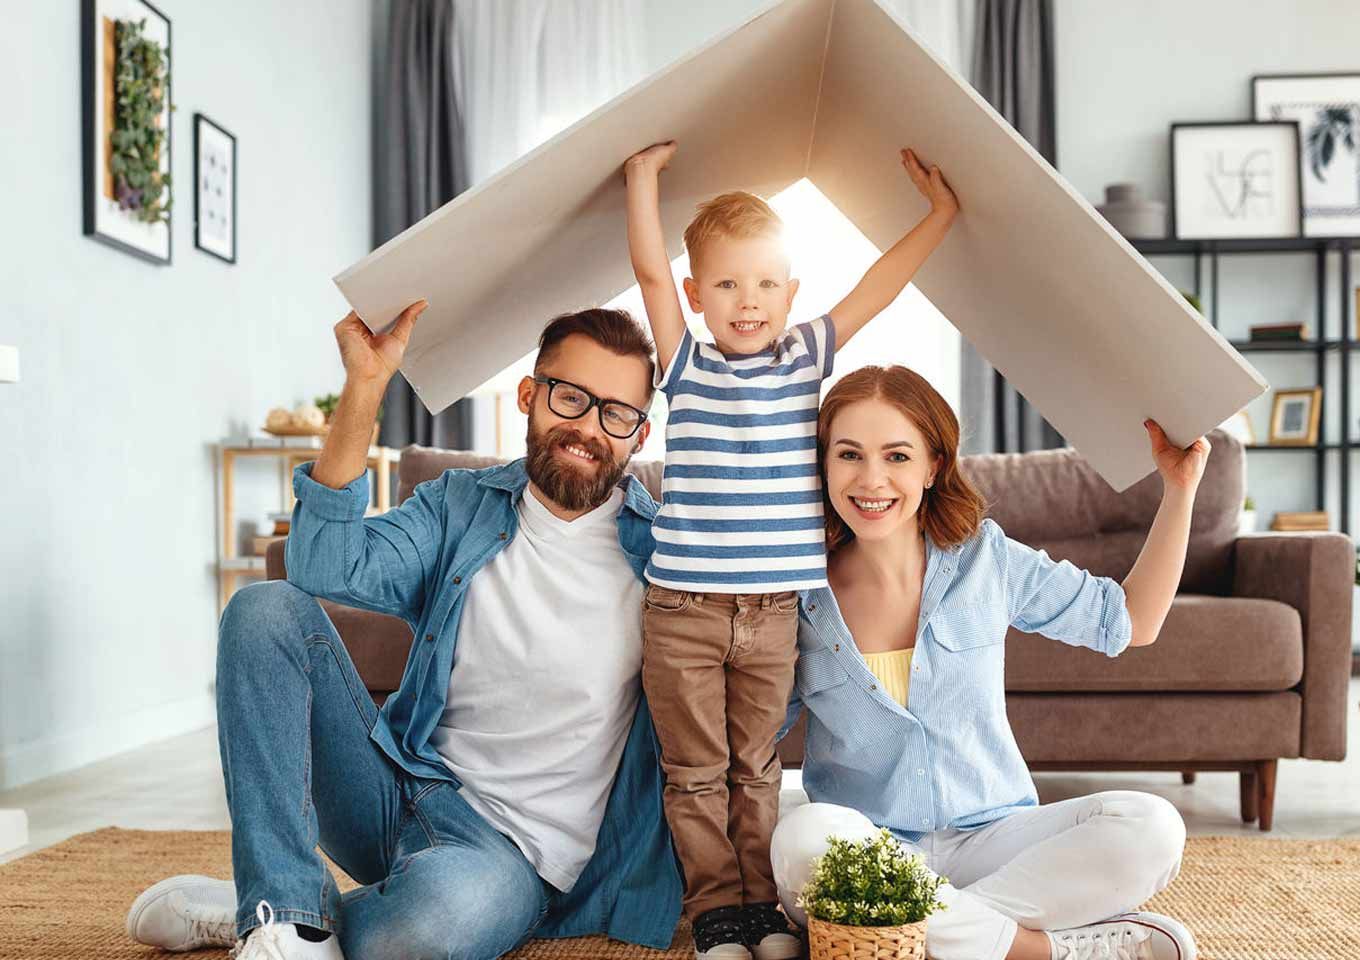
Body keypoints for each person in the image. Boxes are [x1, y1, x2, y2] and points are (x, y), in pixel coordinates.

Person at [126, 303, 686, 959]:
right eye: (570, 397)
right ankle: (289, 917)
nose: (588, 428)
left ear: (639, 436)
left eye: (616, 413)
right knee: (264, 609)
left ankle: (273, 909)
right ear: (531, 397)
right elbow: (319, 565)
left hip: (507, 856)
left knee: (423, 933)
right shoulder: (460, 506)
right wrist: (365, 386)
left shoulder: (665, 555)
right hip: (395, 794)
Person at [622, 141, 958, 960]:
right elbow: (650, 275)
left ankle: (764, 909)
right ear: (700, 295)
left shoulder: (806, 355)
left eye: (768, 283)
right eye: (729, 284)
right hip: (684, 614)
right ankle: (715, 915)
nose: (749, 301)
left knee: (758, 770)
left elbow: (877, 290)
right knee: (696, 773)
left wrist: (938, 215)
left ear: (791, 292)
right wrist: (641, 182)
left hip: (775, 614)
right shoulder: (685, 361)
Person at [769, 365, 1211, 960]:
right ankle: (1038, 951)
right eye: (849, 454)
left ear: (933, 467)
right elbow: (749, 742)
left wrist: (1179, 489)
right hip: (868, 846)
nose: (871, 479)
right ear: (823, 466)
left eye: (897, 456)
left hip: (994, 838)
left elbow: (1130, 621)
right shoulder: (793, 594)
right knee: (802, 835)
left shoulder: (984, 558)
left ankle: (904, 937)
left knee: (1151, 826)